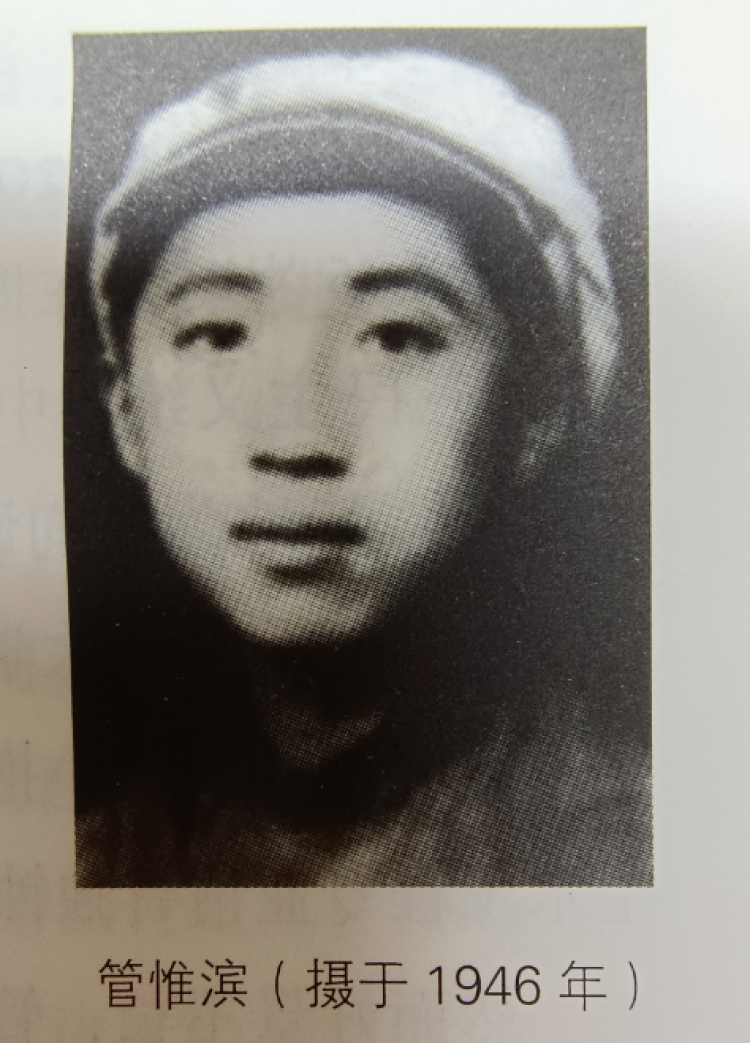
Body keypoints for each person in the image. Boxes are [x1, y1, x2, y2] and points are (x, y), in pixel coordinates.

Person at [72, 49, 651, 886]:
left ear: (536, 412)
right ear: (127, 410)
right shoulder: (91, 852)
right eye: (219, 333)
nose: (296, 439)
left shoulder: (635, 846)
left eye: (398, 336)